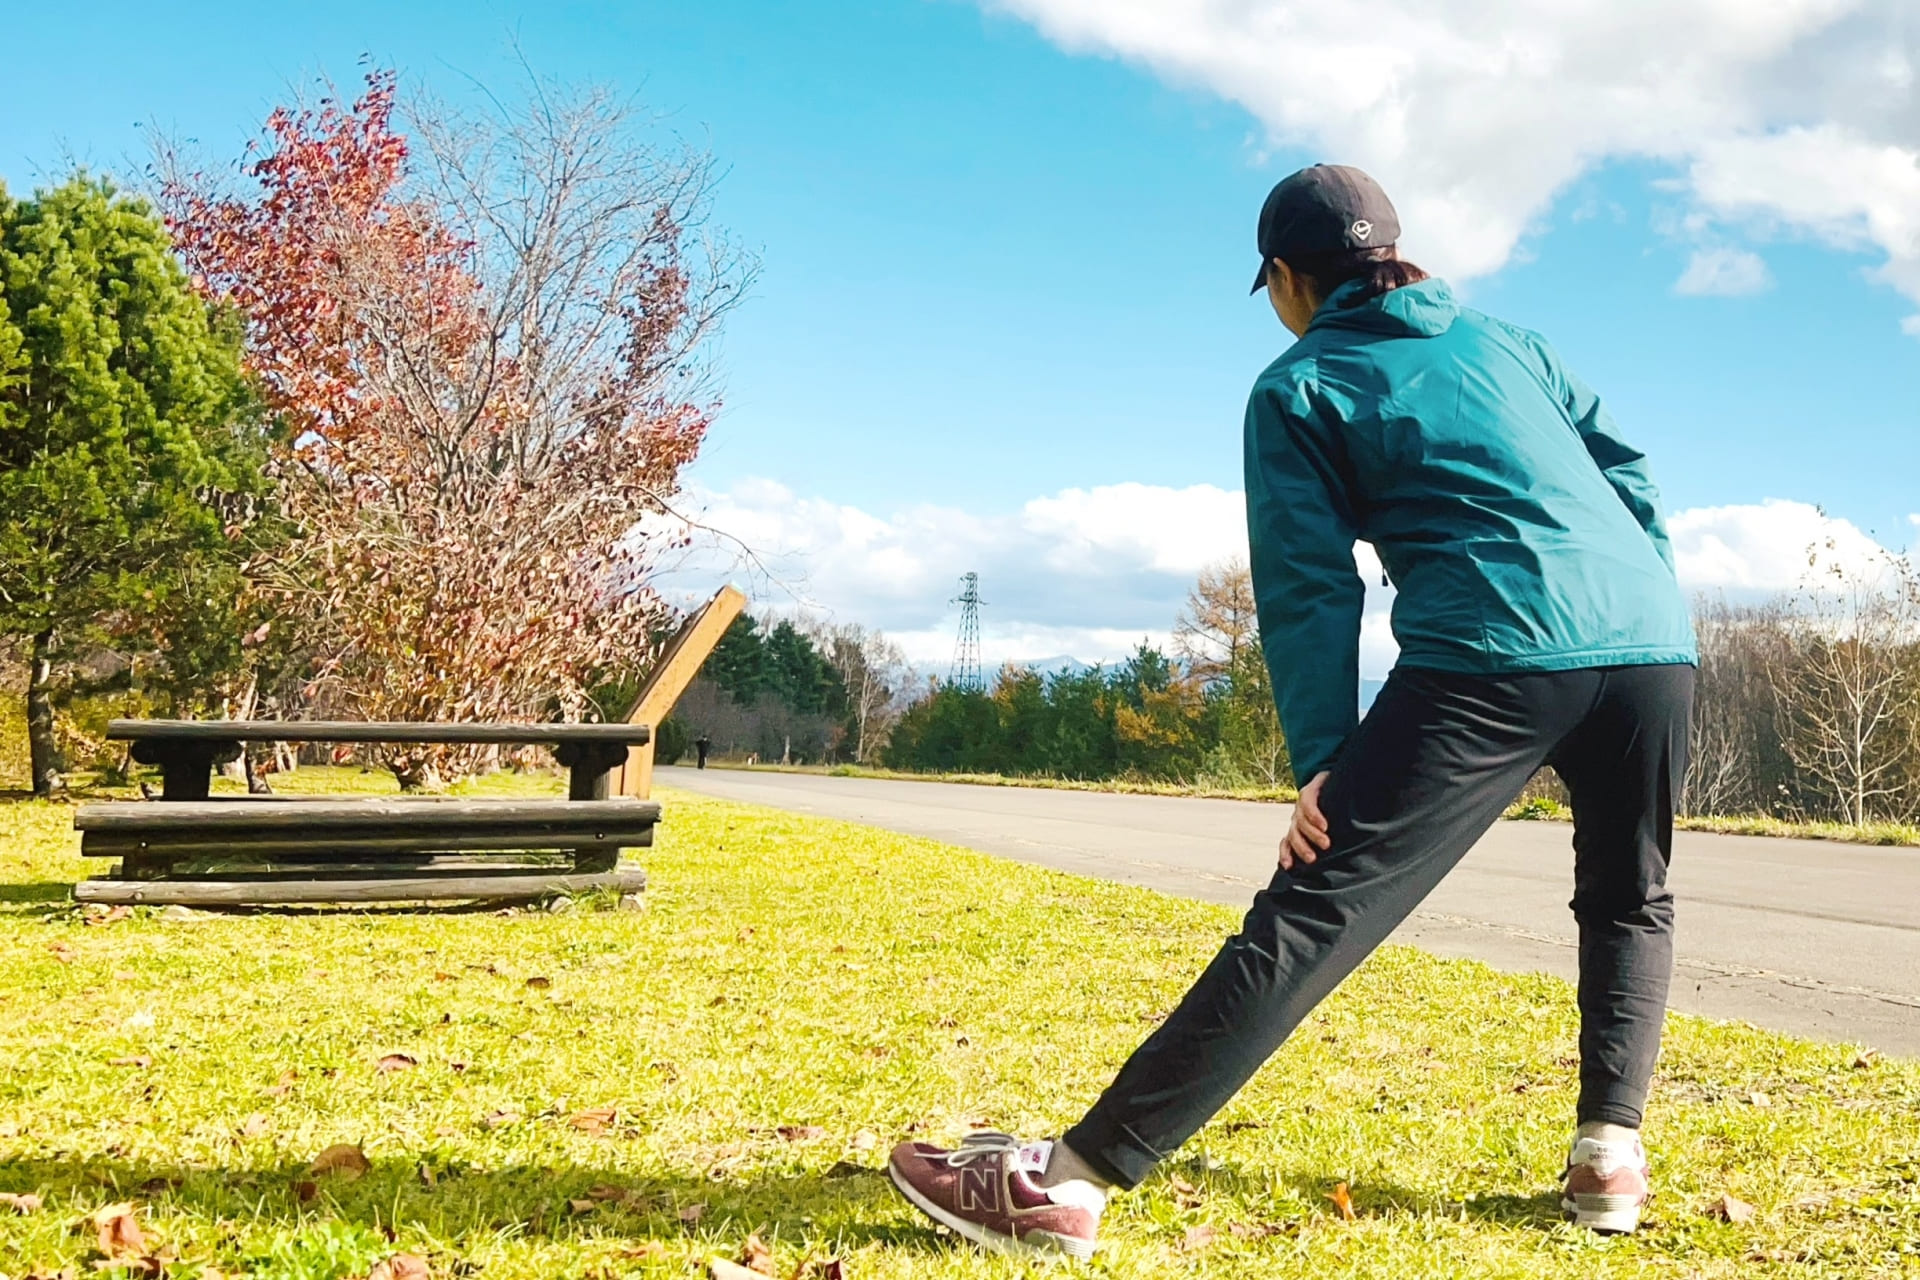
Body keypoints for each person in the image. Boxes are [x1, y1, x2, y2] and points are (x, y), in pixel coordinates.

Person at [886, 164, 1696, 1260]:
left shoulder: (1297, 384)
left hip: (1492, 649)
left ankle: (1071, 1180)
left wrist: (1323, 756)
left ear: (1286, 276)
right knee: (1630, 894)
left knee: (1316, 905)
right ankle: (1609, 1153)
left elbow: (1310, 585)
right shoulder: (1512, 341)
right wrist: (1641, 590)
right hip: (1654, 644)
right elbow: (1627, 473)